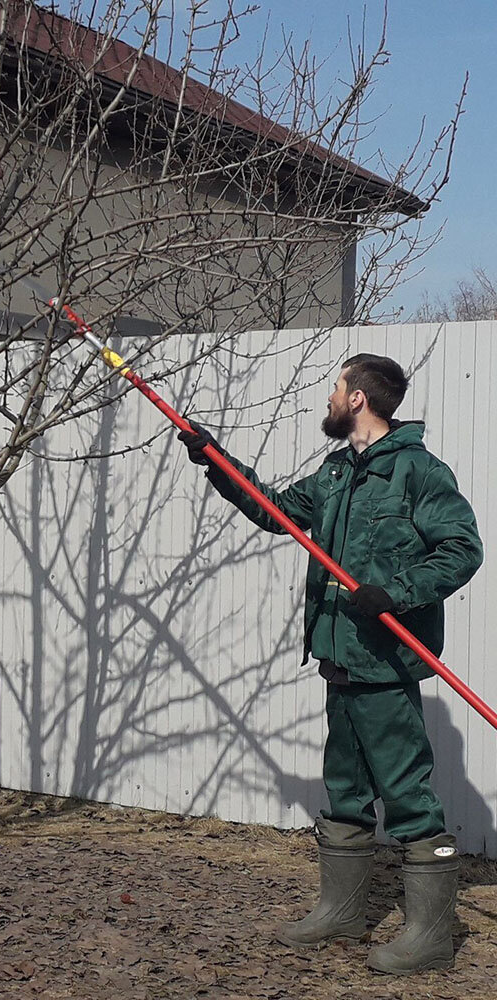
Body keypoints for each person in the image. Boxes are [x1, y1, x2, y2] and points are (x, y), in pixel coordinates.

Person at [178, 353, 483, 975]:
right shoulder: (336, 473)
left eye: (334, 389)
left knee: (407, 797)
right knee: (344, 792)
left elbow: (461, 549)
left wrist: (394, 591)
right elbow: (275, 512)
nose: (328, 399)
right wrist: (216, 462)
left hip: (386, 664)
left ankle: (431, 935)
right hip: (338, 658)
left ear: (358, 401)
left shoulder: (419, 474)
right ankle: (341, 912)